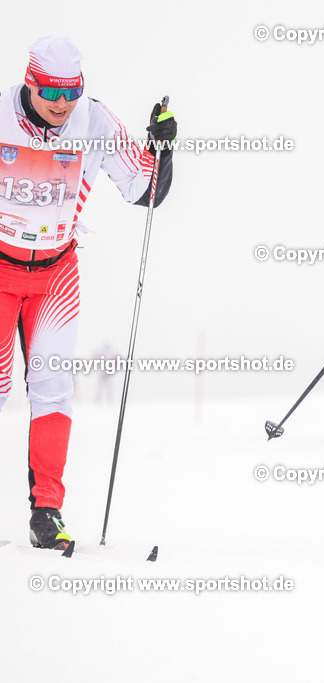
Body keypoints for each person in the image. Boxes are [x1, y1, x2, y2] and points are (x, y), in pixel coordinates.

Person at [0, 36, 175, 550]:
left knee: (53, 389)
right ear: (30, 84)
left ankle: (46, 513)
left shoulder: (94, 122)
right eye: (52, 92)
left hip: (56, 271)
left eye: (71, 92)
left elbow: (146, 189)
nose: (62, 103)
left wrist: (162, 145)